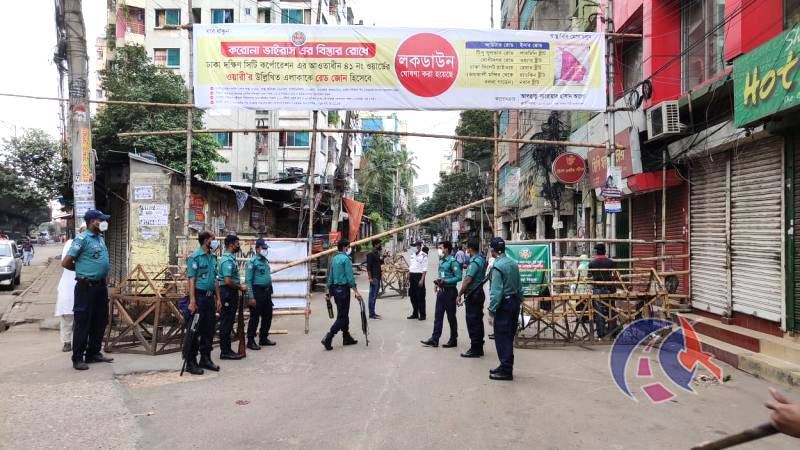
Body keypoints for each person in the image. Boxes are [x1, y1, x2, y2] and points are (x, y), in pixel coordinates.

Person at [61, 210, 114, 371]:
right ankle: (78, 358)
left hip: (100, 286)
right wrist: (82, 272)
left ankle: (93, 353)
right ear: (92, 222)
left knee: (100, 320)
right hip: (86, 286)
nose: (104, 223)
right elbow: (66, 262)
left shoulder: (100, 237)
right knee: (83, 322)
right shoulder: (82, 239)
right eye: (101, 220)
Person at [185, 231, 222, 375]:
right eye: (213, 239)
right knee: (194, 330)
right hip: (199, 297)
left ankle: (205, 358)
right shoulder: (194, 258)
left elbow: (215, 279)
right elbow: (191, 279)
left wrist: (218, 298)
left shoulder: (213, 258)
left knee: (209, 329)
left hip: (209, 298)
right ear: (207, 241)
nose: (215, 242)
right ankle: (191, 361)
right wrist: (192, 301)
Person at [486, 237, 521, 381]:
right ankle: (504, 365)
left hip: (504, 304)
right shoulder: (513, 263)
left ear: (493, 250)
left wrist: (491, 311)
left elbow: (496, 292)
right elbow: (519, 286)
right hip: (514, 302)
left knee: (502, 338)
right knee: (509, 336)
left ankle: (506, 370)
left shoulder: (497, 266)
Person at [322, 239, 363, 350]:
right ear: (345, 247)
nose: (349, 249)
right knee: (343, 317)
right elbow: (350, 278)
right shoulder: (346, 259)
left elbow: (330, 276)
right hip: (343, 291)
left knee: (343, 314)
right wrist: (356, 292)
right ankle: (328, 337)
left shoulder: (334, 259)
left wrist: (329, 291)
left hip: (335, 290)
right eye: (348, 247)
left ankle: (346, 337)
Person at [421, 241, 461, 348]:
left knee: (451, 317)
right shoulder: (442, 261)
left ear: (446, 249)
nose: (439, 249)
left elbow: (459, 277)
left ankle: (453, 339)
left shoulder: (453, 262)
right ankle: (435, 339)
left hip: (450, 293)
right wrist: (437, 283)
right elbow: (441, 275)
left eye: (440, 248)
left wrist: (445, 282)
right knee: (438, 317)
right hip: (441, 292)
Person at [55, 223, 86, 352]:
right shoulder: (71, 244)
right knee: (67, 315)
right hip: (69, 284)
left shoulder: (95, 243)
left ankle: (82, 342)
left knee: (83, 317)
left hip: (85, 284)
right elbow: (66, 261)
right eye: (84, 230)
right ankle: (67, 342)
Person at [217, 234, 246, 360]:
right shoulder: (227, 260)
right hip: (227, 292)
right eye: (237, 244)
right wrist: (240, 287)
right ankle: (225, 351)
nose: (238, 246)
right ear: (230, 244)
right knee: (226, 322)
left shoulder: (231, 258)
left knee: (229, 322)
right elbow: (227, 281)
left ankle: (227, 349)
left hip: (230, 292)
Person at [456, 241, 487, 358]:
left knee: (473, 321)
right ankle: (479, 346)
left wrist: (459, 294)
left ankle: (475, 348)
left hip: (473, 294)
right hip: (478, 293)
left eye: (466, 248)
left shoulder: (474, 262)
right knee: (478, 320)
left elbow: (468, 280)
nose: (466, 250)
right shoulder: (481, 259)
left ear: (470, 249)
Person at [245, 238, 275, 350]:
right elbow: (248, 280)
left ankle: (263, 338)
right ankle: (250, 340)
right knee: (255, 317)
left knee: (268, 315)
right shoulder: (252, 262)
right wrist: (251, 296)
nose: (265, 250)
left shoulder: (265, 261)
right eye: (263, 248)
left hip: (266, 292)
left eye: (266, 248)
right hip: (257, 291)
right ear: (257, 249)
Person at [588, 243, 616, 338]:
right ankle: (613, 332)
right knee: (611, 310)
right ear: (605, 251)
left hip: (598, 289)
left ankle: (601, 333)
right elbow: (615, 275)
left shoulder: (592, 263)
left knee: (599, 312)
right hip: (610, 289)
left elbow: (589, 275)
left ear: (596, 252)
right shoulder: (610, 262)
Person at [407, 241, 428, 320]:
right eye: (413, 246)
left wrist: (422, 280)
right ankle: (415, 313)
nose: (414, 248)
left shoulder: (424, 255)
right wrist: (408, 275)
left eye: (415, 246)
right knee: (412, 296)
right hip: (412, 276)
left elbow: (424, 269)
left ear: (419, 246)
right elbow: (411, 266)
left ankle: (422, 315)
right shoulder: (412, 254)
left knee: (420, 296)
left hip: (419, 276)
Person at [365, 240, 385, 319]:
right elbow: (368, 267)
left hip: (378, 277)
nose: (380, 245)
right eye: (379, 244)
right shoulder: (370, 254)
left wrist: (383, 257)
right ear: (375, 245)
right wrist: (370, 278)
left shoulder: (377, 253)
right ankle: (371, 314)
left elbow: (380, 263)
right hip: (374, 278)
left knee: (374, 296)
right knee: (372, 296)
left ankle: (373, 313)